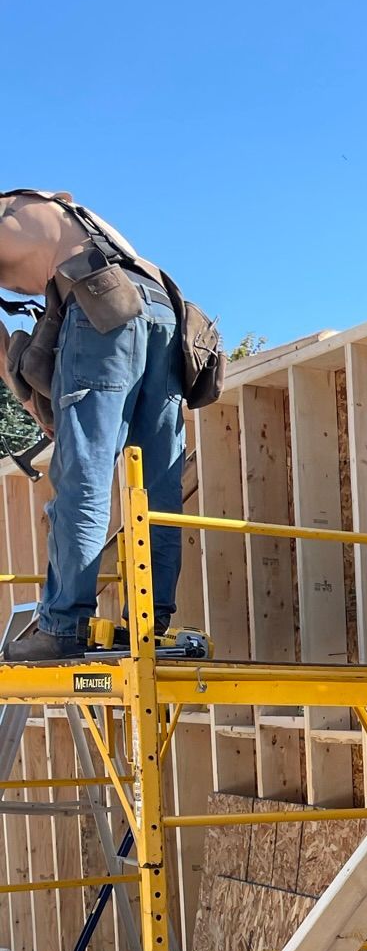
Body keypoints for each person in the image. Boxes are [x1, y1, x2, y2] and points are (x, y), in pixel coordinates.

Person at [0, 190, 184, 660]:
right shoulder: (54, 208)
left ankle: (63, 626)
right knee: (157, 484)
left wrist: (26, 395)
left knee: (84, 475)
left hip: (100, 303)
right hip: (163, 308)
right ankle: (152, 624)